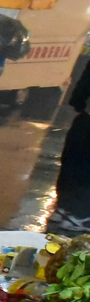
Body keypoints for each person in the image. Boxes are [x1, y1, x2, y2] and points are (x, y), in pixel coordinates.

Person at [49, 64, 90, 232]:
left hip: (86, 118)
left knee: (72, 163)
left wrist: (79, 103)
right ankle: (81, 215)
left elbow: (85, 80)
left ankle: (64, 207)